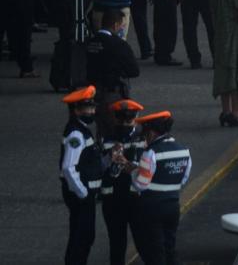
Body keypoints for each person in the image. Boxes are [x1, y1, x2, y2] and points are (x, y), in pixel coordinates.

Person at [129, 110, 191, 265]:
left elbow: (141, 184)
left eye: (145, 134)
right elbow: (183, 179)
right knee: (170, 247)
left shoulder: (150, 153)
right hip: (173, 206)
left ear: (151, 133)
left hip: (152, 208)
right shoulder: (183, 150)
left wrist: (133, 172)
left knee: (155, 250)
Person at [99, 99, 146, 265]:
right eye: (121, 119)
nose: (125, 123)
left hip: (136, 198)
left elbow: (147, 168)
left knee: (143, 242)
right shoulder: (107, 139)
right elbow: (98, 168)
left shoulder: (143, 137)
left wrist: (127, 162)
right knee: (117, 244)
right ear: (115, 118)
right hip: (113, 200)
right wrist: (109, 156)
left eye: (129, 119)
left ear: (136, 117)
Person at [60, 85, 102, 265]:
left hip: (85, 193)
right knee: (81, 237)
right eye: (88, 107)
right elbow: (69, 167)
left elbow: (89, 161)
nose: (92, 111)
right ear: (76, 110)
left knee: (85, 236)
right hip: (80, 194)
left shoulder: (82, 128)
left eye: (93, 107)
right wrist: (83, 193)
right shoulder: (76, 133)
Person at [85, 9, 140, 136]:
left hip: (93, 93)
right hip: (113, 93)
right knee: (115, 131)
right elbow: (134, 70)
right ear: (115, 25)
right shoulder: (119, 44)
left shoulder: (91, 43)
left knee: (101, 129)